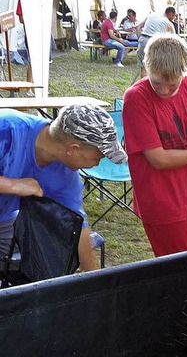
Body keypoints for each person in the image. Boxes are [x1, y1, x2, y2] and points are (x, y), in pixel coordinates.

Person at [0, 104, 127, 271]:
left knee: (33, 270)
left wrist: (94, 282)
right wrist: (12, 184)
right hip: (7, 218)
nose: (98, 163)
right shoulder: (7, 128)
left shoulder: (66, 174)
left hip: (4, 221)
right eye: (98, 157)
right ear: (73, 149)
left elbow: (78, 227)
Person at [122, 33, 187, 258]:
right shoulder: (136, 98)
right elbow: (158, 159)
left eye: (172, 85)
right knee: (181, 270)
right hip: (160, 200)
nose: (163, 91)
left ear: (184, 72)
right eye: (157, 83)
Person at [136, 7, 176, 78]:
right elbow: (173, 40)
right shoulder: (168, 23)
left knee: (144, 67)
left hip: (143, 39)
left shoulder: (152, 15)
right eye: (174, 16)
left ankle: (144, 87)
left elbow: (138, 27)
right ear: (170, 14)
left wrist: (140, 39)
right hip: (155, 42)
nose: (174, 18)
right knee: (156, 68)